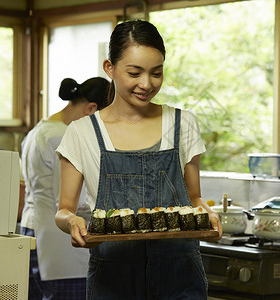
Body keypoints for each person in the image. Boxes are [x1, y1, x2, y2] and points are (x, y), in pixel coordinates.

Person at [55, 20, 222, 299]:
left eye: (156, 73)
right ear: (110, 68)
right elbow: (64, 209)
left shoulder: (182, 123)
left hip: (179, 273)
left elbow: (194, 199)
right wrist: (72, 222)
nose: (146, 84)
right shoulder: (82, 132)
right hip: (113, 276)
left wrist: (209, 215)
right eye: (135, 73)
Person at [20, 77, 110, 300]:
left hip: (31, 230)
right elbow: (75, 202)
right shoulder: (63, 136)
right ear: (91, 109)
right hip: (59, 244)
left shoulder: (38, 131)